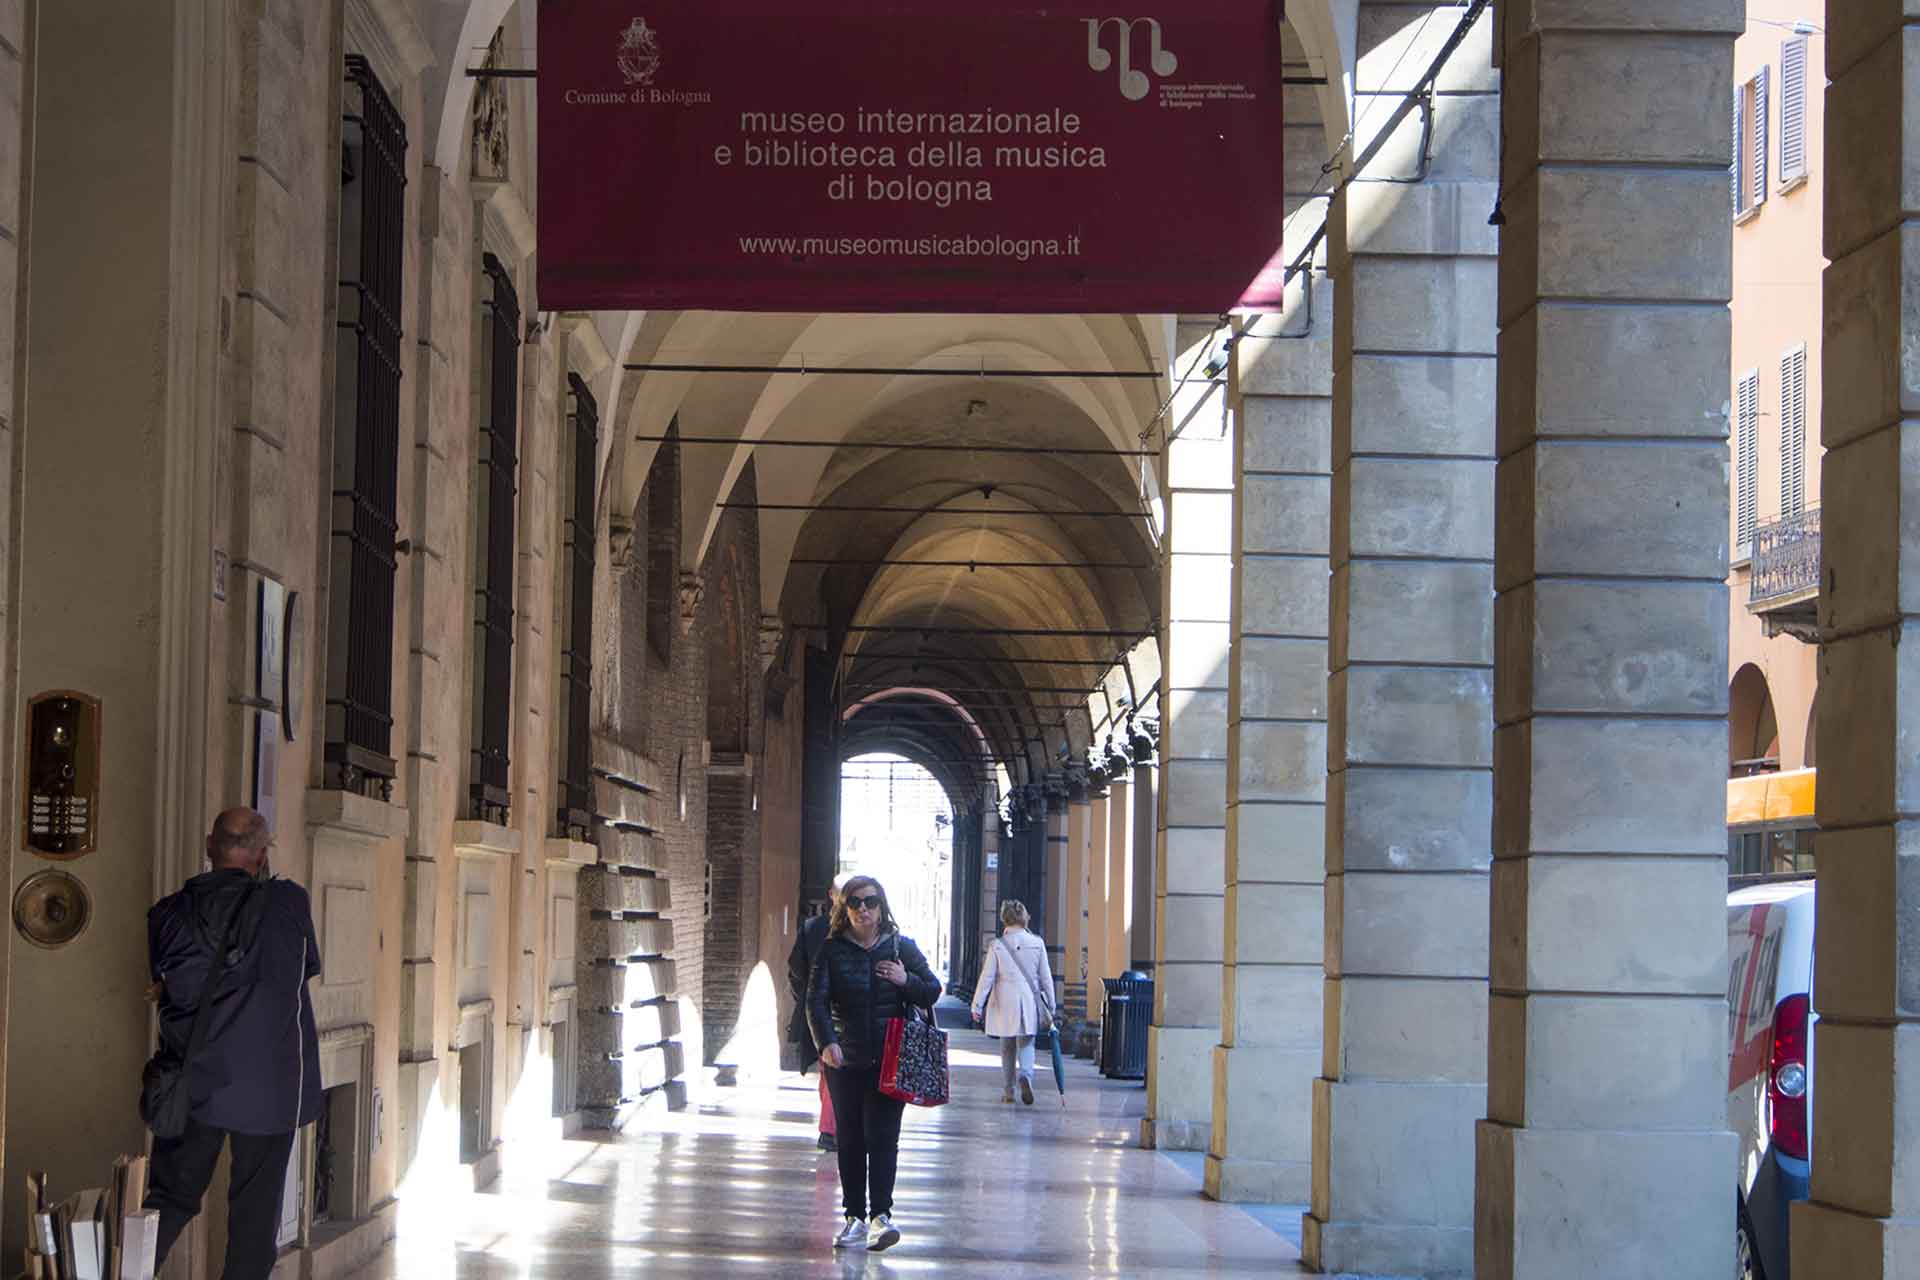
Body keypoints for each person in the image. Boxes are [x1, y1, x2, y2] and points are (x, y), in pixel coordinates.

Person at [144, 808, 322, 1279]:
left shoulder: (166, 914)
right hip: (268, 1087)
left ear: (209, 846)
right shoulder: (288, 904)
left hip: (192, 1082)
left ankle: (125, 1272)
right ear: (262, 855)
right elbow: (297, 972)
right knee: (254, 1217)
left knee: (167, 1201)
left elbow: (167, 984)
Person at [807, 874, 940, 1252]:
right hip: (844, 1059)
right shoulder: (831, 951)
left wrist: (905, 979)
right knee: (849, 1139)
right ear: (844, 910)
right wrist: (827, 1042)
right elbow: (814, 1001)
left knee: (883, 1138)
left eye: (870, 902)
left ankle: (882, 1216)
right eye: (855, 903)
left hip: (890, 1058)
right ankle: (854, 1218)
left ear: (881, 908)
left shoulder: (901, 948)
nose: (863, 909)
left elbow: (932, 989)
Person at [786, 873, 850, 1151]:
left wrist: (807, 1000)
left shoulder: (813, 929)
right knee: (833, 1072)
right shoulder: (826, 930)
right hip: (833, 1018)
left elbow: (795, 972)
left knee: (831, 1073)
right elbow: (797, 972)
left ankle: (832, 1128)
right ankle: (832, 1129)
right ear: (833, 896)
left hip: (829, 1015)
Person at [970, 899, 1056, 1105]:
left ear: (1004, 919)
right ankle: (1025, 1075)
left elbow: (987, 977)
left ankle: (1009, 1091)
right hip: (1028, 998)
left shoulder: (997, 945)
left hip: (1004, 999)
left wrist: (977, 1006)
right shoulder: (1037, 943)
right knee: (1027, 1042)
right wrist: (1051, 1005)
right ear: (1024, 917)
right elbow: (1046, 977)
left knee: (1007, 1046)